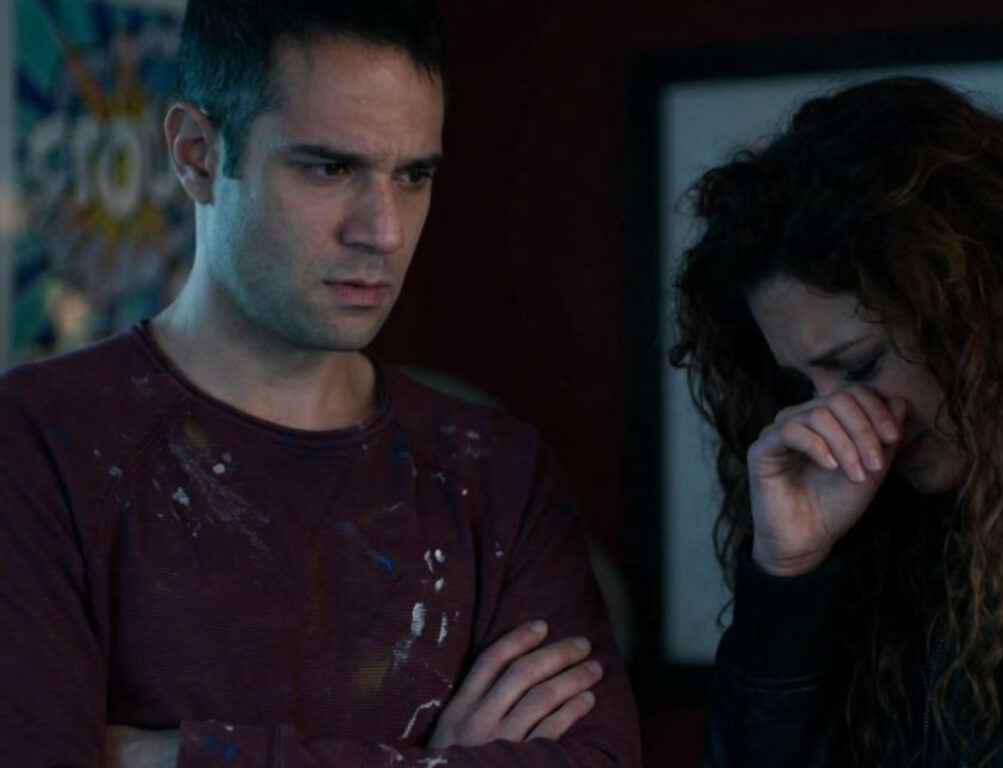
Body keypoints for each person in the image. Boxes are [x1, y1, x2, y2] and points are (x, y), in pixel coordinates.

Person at [0, 1, 641, 765]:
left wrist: (187, 756)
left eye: (413, 176)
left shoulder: (495, 470)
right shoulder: (37, 442)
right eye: (330, 169)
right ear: (197, 155)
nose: (383, 231)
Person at [672, 76, 1003, 767]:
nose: (836, 413)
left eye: (861, 365)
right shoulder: (896, 548)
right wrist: (787, 578)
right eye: (803, 385)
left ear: (978, 317)